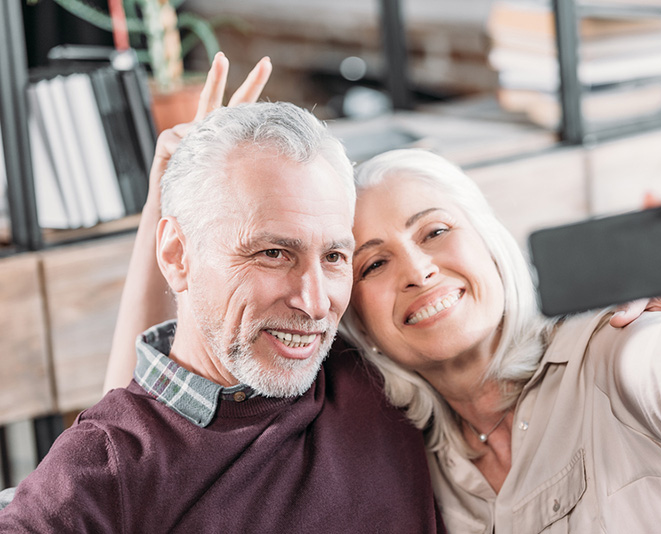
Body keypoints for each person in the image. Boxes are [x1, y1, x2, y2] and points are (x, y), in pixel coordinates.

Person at [0, 54, 444, 532]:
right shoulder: (100, 473)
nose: (315, 304)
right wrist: (166, 200)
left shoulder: (378, 373)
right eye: (273, 253)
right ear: (176, 255)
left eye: (335, 257)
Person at [338, 148, 661, 532]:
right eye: (374, 264)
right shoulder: (421, 474)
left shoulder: (606, 348)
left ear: (493, 246)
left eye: (435, 231)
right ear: (362, 325)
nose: (418, 271)